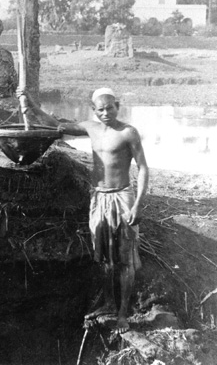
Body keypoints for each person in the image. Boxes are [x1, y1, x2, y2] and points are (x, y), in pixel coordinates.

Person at [21, 87, 149, 334]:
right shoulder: (91, 128)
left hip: (122, 197)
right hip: (98, 197)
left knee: (124, 259)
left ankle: (123, 314)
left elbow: (143, 168)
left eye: (109, 107)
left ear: (117, 106)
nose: (105, 113)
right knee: (103, 257)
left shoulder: (128, 133)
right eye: (100, 109)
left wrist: (137, 205)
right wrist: (32, 106)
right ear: (94, 110)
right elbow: (56, 126)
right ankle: (108, 303)